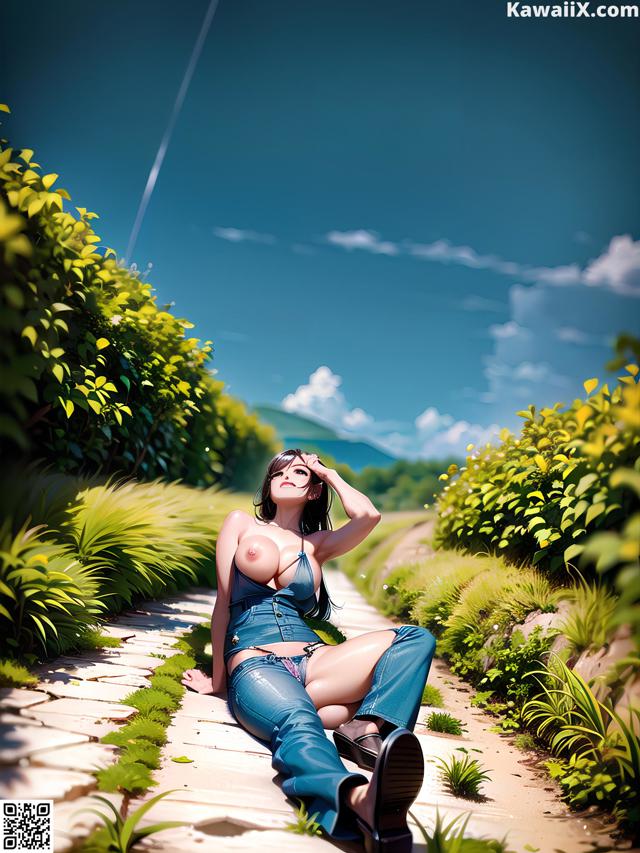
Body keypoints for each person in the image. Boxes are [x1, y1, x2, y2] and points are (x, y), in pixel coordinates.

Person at [182, 448, 436, 852]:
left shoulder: (316, 545)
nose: (284, 476)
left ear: (314, 490)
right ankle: (357, 799)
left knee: (415, 638)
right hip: (256, 661)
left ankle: (365, 728)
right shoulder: (241, 523)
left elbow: (368, 517)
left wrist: (327, 472)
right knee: (300, 721)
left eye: (297, 472)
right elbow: (223, 603)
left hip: (315, 659)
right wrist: (218, 681)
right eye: (278, 471)